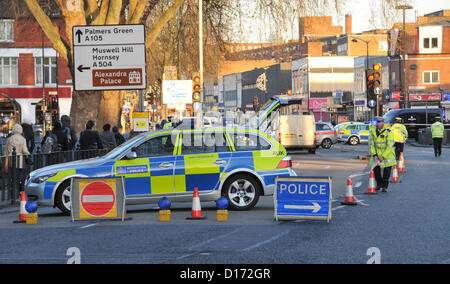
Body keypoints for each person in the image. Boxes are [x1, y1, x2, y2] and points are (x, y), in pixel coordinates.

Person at [369, 117, 396, 192]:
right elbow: (371, 144)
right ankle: (379, 184)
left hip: (387, 156)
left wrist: (383, 156)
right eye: (376, 122)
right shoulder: (372, 131)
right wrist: (374, 155)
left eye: (379, 122)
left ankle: (384, 186)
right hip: (376, 156)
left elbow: (389, 145)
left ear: (383, 122)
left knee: (386, 173)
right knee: (376, 172)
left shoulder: (388, 132)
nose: (378, 124)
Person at [5, 124, 30, 190]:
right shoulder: (23, 139)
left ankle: (13, 188)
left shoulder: (9, 139)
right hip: (20, 160)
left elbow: (6, 151)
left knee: (13, 174)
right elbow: (25, 150)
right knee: (20, 174)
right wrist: (28, 155)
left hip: (11, 159)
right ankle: (20, 188)